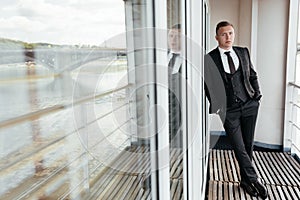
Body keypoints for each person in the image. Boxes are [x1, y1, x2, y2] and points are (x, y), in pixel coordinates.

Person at [204, 21, 268, 199]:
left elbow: (252, 75)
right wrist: (218, 107)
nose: (228, 37)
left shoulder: (243, 52)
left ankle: (245, 181)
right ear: (217, 37)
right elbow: (207, 85)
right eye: (224, 34)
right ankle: (254, 180)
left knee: (248, 145)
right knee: (238, 147)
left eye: (231, 33)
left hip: (249, 105)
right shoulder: (209, 59)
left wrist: (257, 97)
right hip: (228, 110)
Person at [168, 24, 183, 148]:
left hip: (178, 108)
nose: (173, 40)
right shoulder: (160, 56)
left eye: (177, 37)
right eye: (171, 36)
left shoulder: (190, 59)